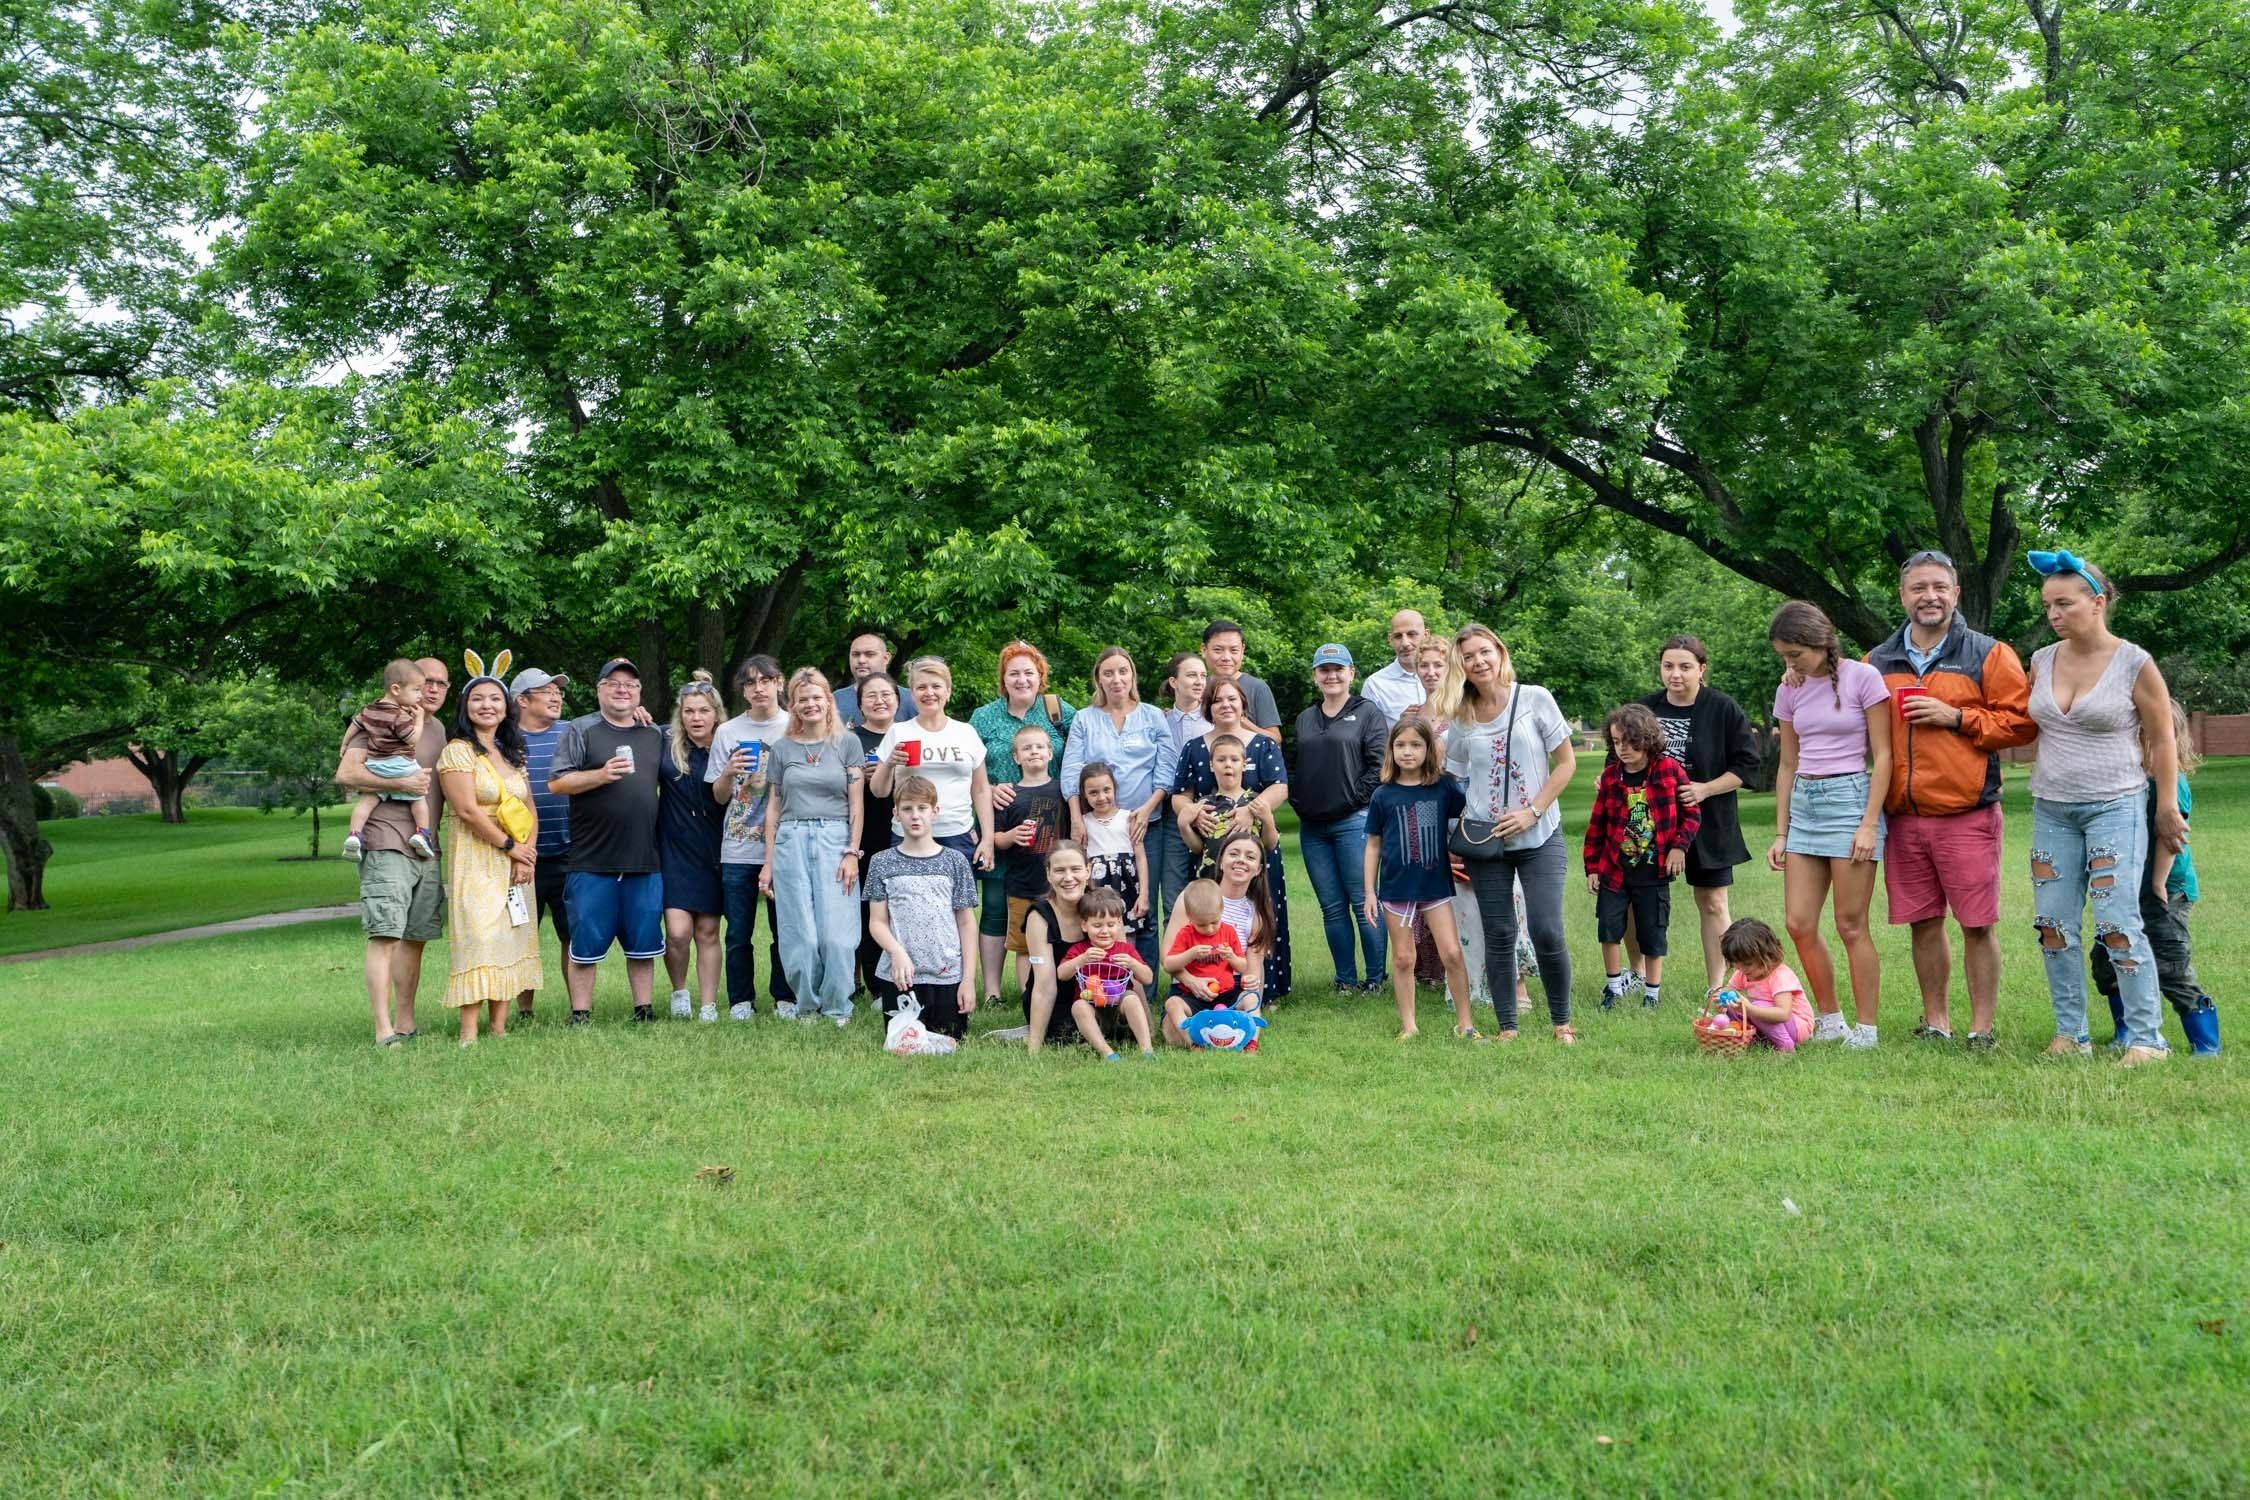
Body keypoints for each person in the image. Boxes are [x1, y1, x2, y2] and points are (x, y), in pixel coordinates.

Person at [1858, 553, 2038, 1049]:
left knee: (1977, 924)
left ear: (1955, 594)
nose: (1929, 596)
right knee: (1923, 921)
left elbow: (2022, 724)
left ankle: (1982, 1028)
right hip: (1902, 817)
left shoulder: (1988, 653)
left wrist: (1956, 717)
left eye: (1939, 587)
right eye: (1918, 588)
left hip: (1968, 813)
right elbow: (1844, 709)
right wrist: (1796, 675)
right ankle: (1936, 1022)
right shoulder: (1876, 661)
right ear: (1903, 596)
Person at [2024, 549, 2184, 1066]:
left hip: (2115, 805)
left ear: (2097, 602)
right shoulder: (2042, 660)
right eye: (2048, 605)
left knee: (2117, 921)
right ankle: (2071, 1034)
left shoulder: (2134, 662)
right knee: (2053, 925)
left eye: (2064, 604)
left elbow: (2163, 741)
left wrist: (2166, 807)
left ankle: (2147, 1040)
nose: (2053, 614)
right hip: (2052, 810)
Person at [1435, 624, 1578, 1043]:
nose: (1478, 662)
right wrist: (1451, 828)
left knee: (1547, 928)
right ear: (1460, 665)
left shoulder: (1535, 698)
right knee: (1499, 933)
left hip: (1539, 835)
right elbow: (1454, 776)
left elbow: (1566, 764)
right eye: (1468, 657)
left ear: (1499, 652)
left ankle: (1562, 1023)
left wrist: (1532, 812)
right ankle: (1507, 1027)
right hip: (1486, 842)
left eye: (1485, 652)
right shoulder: (1461, 716)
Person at [1767, 601, 1893, 1048]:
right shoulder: (1790, 687)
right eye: (1784, 656)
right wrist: (1781, 832)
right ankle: (1830, 1019)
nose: (1790, 664)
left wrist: (1869, 824)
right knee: (1798, 923)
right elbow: (1787, 764)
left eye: (1795, 654)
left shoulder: (1864, 677)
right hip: (1805, 805)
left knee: (1850, 924)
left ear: (1819, 641)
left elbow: (1884, 756)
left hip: (1850, 802)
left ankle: (1867, 1030)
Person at [1619, 636, 1762, 993]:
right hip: (1647, 824)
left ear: (1701, 669)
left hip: (1709, 822)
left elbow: (1747, 766)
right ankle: (1637, 972)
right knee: (1635, 899)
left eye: (1685, 667)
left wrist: (1705, 789)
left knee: (1713, 902)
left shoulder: (1723, 708)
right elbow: (1617, 758)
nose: (1676, 674)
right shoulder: (1644, 709)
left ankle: (1719, 986)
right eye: (1668, 666)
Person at [2092, 701, 2219, 1055]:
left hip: (2166, 889)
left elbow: (2170, 837)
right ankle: (2125, 1032)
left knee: (2169, 963)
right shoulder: (2127, 782)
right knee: (2108, 960)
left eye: (2138, 732)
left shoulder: (2170, 783)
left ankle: (2206, 1043)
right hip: (2126, 886)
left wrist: (2157, 885)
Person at [335, 654, 449, 1044]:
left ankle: (405, 1023)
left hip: (426, 847)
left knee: (415, 937)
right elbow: (346, 773)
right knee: (386, 935)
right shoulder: (381, 719)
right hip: (386, 842)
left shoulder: (437, 729)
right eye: (426, 681)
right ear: (403, 685)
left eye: (441, 683)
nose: (432, 689)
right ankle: (383, 1031)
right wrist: (401, 784)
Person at [547, 658, 667, 1023]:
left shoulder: (653, 733)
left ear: (639, 693)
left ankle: (643, 1010)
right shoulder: (581, 729)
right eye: (613, 683)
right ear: (599, 689)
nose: (622, 690)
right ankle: (581, 1013)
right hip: (591, 857)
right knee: (585, 942)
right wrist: (600, 775)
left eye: (630, 684)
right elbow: (557, 782)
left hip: (644, 857)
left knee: (643, 942)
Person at [435, 665, 540, 1045]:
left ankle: (499, 1027)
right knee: (478, 939)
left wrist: (526, 856)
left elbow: (529, 808)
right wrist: (510, 847)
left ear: (507, 707)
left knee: (509, 937)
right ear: (465, 706)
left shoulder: (512, 753)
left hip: (516, 859)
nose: (487, 705)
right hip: (477, 859)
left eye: (495, 698)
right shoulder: (457, 752)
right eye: (477, 698)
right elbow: (466, 810)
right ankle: (468, 1032)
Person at [969, 642, 1075, 1010]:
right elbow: (968, 767)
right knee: (996, 906)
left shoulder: (1058, 710)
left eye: (1029, 672)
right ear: (1003, 679)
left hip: (1050, 822)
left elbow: (1081, 754)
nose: (1021, 679)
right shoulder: (984, 717)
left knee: (1050, 905)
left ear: (1040, 676)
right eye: (1013, 673)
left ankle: (1051, 984)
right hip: (1001, 819)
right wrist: (988, 789)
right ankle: (993, 991)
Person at [1171, 675, 1290, 996]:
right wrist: (1192, 813)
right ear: (1207, 707)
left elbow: (1280, 787)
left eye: (1232, 699)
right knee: (1211, 912)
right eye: (1217, 700)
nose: (1225, 705)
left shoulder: (1263, 743)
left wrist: (1252, 810)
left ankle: (1264, 988)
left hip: (1254, 848)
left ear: (1243, 704)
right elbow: (1179, 795)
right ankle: (1211, 981)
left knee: (1261, 915)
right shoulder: (1194, 748)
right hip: (1211, 849)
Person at [760, 667, 866, 1027]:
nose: (810, 704)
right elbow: (773, 808)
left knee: (837, 936)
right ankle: (806, 1006)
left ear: (829, 700)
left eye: (816, 697)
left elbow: (856, 804)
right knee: (800, 935)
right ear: (793, 705)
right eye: (802, 699)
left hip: (835, 839)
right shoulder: (782, 748)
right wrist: (768, 863)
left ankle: (837, 1007)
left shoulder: (848, 744)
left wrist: (852, 851)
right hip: (791, 839)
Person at [1361, 718, 1478, 1041]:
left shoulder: (1443, 788)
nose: (1407, 752)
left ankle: (1465, 1024)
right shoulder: (1383, 795)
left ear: (1428, 749)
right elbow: (1373, 845)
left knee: (1451, 953)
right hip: (1396, 889)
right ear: (1391, 750)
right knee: (1403, 958)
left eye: (1416, 745)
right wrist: (1369, 891)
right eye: (1400, 745)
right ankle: (1409, 1026)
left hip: (1435, 886)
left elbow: (1472, 810)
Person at [1060, 648, 1179, 963]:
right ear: (1098, 679)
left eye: (1123, 671)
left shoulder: (1152, 715)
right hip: (1097, 828)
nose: (1116, 679)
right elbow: (1071, 769)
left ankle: (1143, 983)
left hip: (1143, 824)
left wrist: (1148, 807)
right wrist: (1076, 817)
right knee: (1097, 908)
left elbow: (1166, 768)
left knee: (1143, 909)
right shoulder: (1085, 719)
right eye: (1108, 673)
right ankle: (1099, 978)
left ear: (1132, 676)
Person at [1584, 703, 1699, 1012]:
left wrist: (1679, 847)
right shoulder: (1610, 778)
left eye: (1629, 741)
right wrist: (1592, 868)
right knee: (1609, 927)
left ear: (1646, 739)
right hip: (1613, 870)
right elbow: (1597, 826)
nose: (1622, 749)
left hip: (1654, 870)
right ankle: (1613, 989)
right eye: (1616, 742)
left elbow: (1692, 814)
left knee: (1653, 930)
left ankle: (1652, 994)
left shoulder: (1669, 770)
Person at [1294, 643, 1390, 992]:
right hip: (1312, 828)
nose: (1331, 675)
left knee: (1364, 902)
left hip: (1354, 821)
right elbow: (1295, 766)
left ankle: (1375, 979)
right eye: (1324, 669)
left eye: (1338, 669)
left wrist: (1349, 801)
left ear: (1351, 673)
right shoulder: (1305, 718)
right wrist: (1299, 801)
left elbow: (1379, 766)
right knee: (1332, 907)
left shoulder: (1367, 713)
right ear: (1315, 676)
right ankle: (1345, 979)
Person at [707, 656, 795, 1020]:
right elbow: (718, 796)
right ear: (742, 690)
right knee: (738, 931)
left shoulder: (794, 725)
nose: (758, 688)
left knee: (785, 929)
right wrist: (728, 772)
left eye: (765, 680)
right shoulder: (728, 732)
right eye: (750, 683)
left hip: (786, 845)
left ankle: (785, 997)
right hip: (738, 846)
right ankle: (741, 1000)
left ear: (779, 683)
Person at [864, 773, 979, 1041]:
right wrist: (896, 952)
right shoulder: (881, 862)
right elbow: (877, 922)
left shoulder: (955, 861)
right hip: (901, 974)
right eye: (907, 809)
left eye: (922, 808)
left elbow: (966, 922)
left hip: (947, 973)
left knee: (950, 1042)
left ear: (935, 812)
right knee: (905, 1044)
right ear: (896, 814)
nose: (915, 816)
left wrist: (968, 980)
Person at [871, 656, 996, 874]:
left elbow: (981, 790)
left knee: (958, 896)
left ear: (948, 691)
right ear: (912, 694)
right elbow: (878, 791)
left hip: (957, 834)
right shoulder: (899, 732)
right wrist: (889, 763)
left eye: (936, 686)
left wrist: (987, 839)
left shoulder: (966, 733)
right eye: (921, 687)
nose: (929, 693)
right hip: (908, 835)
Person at [658, 671, 726, 1021]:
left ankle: (708, 1005)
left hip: (714, 849)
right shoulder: (665, 743)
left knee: (707, 931)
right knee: (677, 933)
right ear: (680, 715)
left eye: (703, 711)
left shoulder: (727, 747)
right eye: (689, 711)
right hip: (674, 849)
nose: (696, 718)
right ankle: (679, 992)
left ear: (716, 714)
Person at [509, 665, 572, 1020]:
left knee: (572, 934)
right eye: (547, 691)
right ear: (522, 700)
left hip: (570, 853)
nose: (556, 697)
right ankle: (524, 1010)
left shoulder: (573, 732)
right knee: (521, 933)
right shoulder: (503, 740)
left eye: (558, 691)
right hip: (519, 856)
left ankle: (579, 1007)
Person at [993, 722, 1067, 998]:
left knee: (1061, 939)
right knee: (1024, 945)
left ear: (1050, 753)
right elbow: (996, 839)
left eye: (1039, 747)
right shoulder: (1009, 795)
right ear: (1016, 757)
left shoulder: (1062, 790)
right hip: (1021, 885)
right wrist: (1012, 835)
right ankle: (1028, 995)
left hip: (1059, 885)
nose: (1034, 752)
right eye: (1026, 748)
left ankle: (1058, 991)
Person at [341, 658, 436, 862]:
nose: (420, 695)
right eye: (416, 690)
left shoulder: (370, 709)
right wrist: (418, 719)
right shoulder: (400, 716)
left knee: (366, 801)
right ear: (395, 689)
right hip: (401, 765)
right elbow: (412, 739)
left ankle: (354, 834)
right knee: (419, 797)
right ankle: (422, 833)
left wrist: (345, 742)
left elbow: (355, 725)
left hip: (375, 765)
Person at [1148, 652, 1212, 932]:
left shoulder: (1214, 719)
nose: (1199, 681)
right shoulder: (1157, 721)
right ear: (1174, 681)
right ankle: (1176, 956)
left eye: (1203, 675)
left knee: (1211, 894)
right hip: (1171, 815)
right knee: (1174, 898)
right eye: (1191, 675)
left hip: (1212, 814)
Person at [850, 672, 901, 1008]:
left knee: (900, 910)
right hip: (864, 832)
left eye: (886, 694)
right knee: (868, 909)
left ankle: (901, 976)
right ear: (859, 704)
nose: (879, 701)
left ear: (898, 700)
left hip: (903, 830)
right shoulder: (850, 740)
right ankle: (874, 985)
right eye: (871, 695)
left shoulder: (908, 733)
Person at [1058, 886, 1156, 1059]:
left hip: (1120, 1008)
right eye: (1097, 925)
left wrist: (1132, 963)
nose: (1104, 931)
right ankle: (1107, 1052)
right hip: (1092, 1006)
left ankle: (1147, 1049)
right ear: (1084, 925)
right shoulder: (1081, 950)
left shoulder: (1125, 949)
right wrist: (1082, 959)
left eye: (1111, 925)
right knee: (1078, 1006)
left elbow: (1148, 978)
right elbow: (1061, 974)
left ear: (1119, 924)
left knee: (1132, 998)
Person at [1160, 878, 1250, 1048]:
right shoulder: (1186, 934)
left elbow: (1243, 966)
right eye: (1201, 925)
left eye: (1214, 922)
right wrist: (1190, 954)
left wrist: (1231, 957)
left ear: (1221, 909)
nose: (1209, 929)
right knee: (1172, 1004)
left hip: (1226, 994)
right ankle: (1194, 1043)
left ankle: (1250, 1041)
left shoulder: (1228, 932)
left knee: (1250, 997)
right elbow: (1168, 964)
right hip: (1193, 996)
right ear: (1189, 917)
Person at [1023, 840, 1095, 1051]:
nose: (1068, 878)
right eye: (1060, 871)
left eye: (1075, 869)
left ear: (1088, 871)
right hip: (1058, 1003)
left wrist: (1145, 1023)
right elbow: (1044, 985)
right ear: (1048, 875)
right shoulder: (1039, 916)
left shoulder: (1104, 907)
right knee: (1066, 1037)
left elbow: (1126, 962)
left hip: (1099, 995)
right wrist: (1034, 1046)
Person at [1178, 734, 1280, 879]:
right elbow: (1198, 848)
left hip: (1250, 881)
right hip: (1212, 881)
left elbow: (1270, 844)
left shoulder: (1257, 802)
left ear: (1244, 765)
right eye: (1221, 760)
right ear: (1211, 765)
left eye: (1234, 759)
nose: (1228, 764)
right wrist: (1184, 826)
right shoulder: (1204, 805)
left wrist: (1268, 819)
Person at [1075, 762, 1150, 937]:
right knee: (1098, 932)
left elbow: (1141, 858)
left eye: (1106, 790)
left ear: (1114, 788)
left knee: (1127, 937)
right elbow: (1080, 860)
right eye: (1093, 793)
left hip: (1127, 888)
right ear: (1084, 794)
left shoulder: (1128, 818)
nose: (1101, 797)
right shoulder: (1083, 823)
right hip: (1096, 890)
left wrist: (1144, 895)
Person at [1717, 918, 1813, 1053]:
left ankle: (1785, 1046)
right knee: (1733, 1003)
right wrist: (1722, 1001)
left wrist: (1749, 1009)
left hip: (1797, 1027)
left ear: (1767, 955)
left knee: (1759, 1005)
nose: (1742, 969)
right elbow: (1727, 991)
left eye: (1747, 964)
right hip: (1767, 1018)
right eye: (1737, 964)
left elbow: (1783, 1014)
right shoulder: (1744, 972)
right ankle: (1754, 1038)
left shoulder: (1780, 976)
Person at [1199, 620, 1283, 740]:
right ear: (1204, 650)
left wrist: (1240, 721)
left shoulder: (1257, 687)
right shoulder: (1197, 687)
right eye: (1218, 650)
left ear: (1242, 651)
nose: (1226, 657)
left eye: (1234, 650)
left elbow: (1275, 740)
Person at [1361, 609, 1430, 724]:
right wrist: (1400, 727)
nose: (1405, 643)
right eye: (1398, 636)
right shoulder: (1375, 686)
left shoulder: (1448, 676)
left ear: (1426, 635)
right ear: (1390, 640)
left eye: (1411, 634)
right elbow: (1367, 733)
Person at [832, 632, 893, 728]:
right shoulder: (835, 700)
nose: (861, 660)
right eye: (855, 654)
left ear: (886, 658)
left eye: (869, 654)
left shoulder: (910, 699)